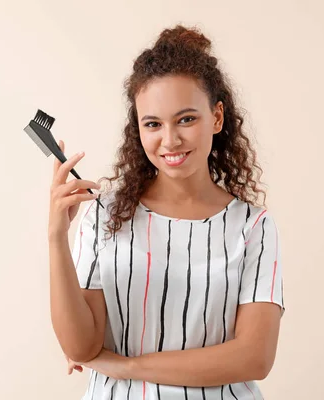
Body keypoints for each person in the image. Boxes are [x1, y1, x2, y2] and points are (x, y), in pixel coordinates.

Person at [48, 24, 285, 400]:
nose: (170, 140)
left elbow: (254, 358)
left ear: (217, 117)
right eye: (153, 124)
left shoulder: (252, 226)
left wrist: (127, 366)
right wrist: (57, 239)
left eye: (186, 119)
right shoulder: (104, 214)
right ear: (138, 130)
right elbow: (81, 347)